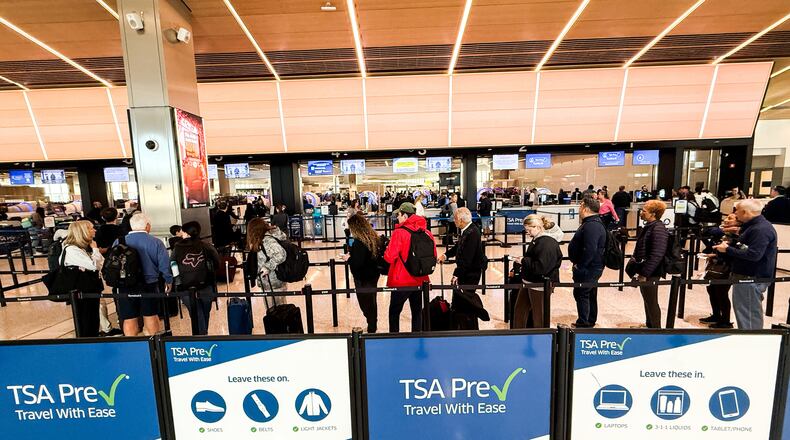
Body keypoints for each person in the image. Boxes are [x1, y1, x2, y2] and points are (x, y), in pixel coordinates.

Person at [713, 199, 778, 330]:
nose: (735, 214)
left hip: (750, 277)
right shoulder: (754, 227)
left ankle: (751, 343)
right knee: (745, 312)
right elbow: (746, 248)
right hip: (747, 276)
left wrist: (727, 249)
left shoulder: (760, 229)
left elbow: (754, 255)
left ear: (745, 212)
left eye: (737, 211)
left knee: (748, 315)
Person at [116, 213, 172, 336]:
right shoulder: (155, 242)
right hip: (149, 284)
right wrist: (168, 281)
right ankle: (153, 346)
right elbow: (164, 265)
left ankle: (132, 346)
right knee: (150, 315)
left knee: (129, 317)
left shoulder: (119, 241)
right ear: (147, 226)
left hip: (125, 285)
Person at [383, 202, 436, 332]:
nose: (397, 218)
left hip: (401, 280)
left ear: (405, 216)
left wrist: (385, 250)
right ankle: (416, 336)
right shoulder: (427, 232)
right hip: (420, 279)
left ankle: (394, 338)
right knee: (417, 311)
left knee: (394, 312)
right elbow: (433, 254)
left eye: (399, 215)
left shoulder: (400, 232)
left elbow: (389, 257)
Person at [439, 207, 486, 329]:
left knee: (466, 301)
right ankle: (462, 326)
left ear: (461, 220)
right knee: (461, 301)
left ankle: (468, 328)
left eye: (455, 219)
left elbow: (467, 258)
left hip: (470, 274)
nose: (453, 221)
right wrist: (446, 255)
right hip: (466, 271)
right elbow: (458, 246)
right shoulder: (467, 230)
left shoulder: (472, 232)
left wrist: (456, 274)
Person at [513, 215, 563, 328]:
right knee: (520, 310)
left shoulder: (547, 243)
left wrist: (523, 260)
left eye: (529, 230)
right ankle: (518, 335)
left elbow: (541, 267)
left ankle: (541, 339)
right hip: (529, 282)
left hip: (539, 285)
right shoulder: (538, 240)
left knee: (539, 316)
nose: (528, 233)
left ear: (537, 227)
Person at [172, 221, 220, 335]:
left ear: (187, 233)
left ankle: (200, 338)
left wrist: (175, 281)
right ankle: (203, 335)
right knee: (205, 312)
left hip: (185, 287)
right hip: (205, 285)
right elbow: (217, 263)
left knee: (196, 314)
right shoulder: (206, 246)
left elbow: (172, 265)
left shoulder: (177, 247)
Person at [60, 220, 105, 337]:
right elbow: (95, 265)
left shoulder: (81, 248)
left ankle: (92, 339)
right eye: (91, 228)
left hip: (89, 289)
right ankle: (88, 342)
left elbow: (100, 264)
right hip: (82, 290)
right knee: (86, 319)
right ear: (82, 232)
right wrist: (95, 249)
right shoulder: (72, 250)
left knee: (93, 317)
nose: (94, 230)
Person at [628, 200, 668, 328]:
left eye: (644, 211)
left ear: (653, 214)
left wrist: (644, 273)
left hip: (652, 272)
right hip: (646, 269)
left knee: (651, 301)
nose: (641, 213)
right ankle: (649, 325)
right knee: (647, 299)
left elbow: (657, 254)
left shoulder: (658, 229)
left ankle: (655, 329)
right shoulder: (650, 226)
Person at [568, 197, 606, 328]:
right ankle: (589, 319)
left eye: (580, 206)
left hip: (589, 268)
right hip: (591, 267)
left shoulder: (592, 225)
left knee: (582, 293)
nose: (579, 209)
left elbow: (590, 248)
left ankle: (584, 323)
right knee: (589, 293)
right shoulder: (592, 222)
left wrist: (581, 265)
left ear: (585, 208)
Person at [345, 214, 381, 333]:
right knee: (372, 300)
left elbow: (357, 263)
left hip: (363, 277)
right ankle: (372, 324)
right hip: (373, 274)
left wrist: (348, 259)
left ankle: (371, 325)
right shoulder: (372, 237)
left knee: (365, 303)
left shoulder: (359, 242)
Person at [247, 218, 289, 305]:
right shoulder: (264, 239)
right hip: (271, 282)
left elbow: (281, 254)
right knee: (278, 312)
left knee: (277, 312)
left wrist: (267, 267)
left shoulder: (267, 240)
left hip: (273, 282)